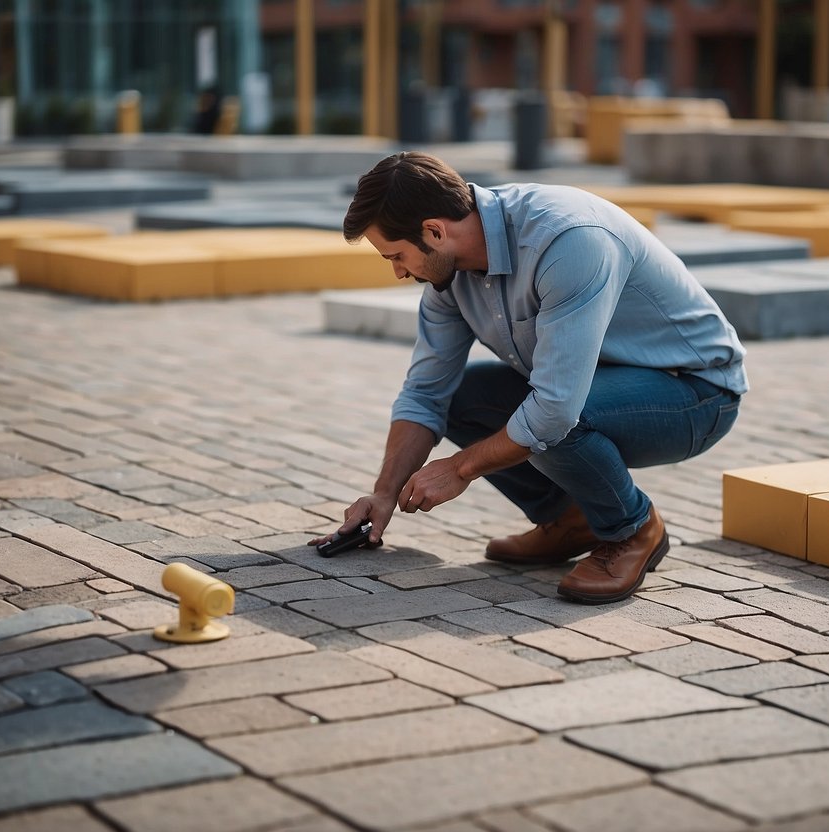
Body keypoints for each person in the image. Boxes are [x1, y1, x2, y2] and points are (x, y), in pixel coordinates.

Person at [312, 152, 747, 604]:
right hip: (596, 383)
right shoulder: (447, 271)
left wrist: (460, 468)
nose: (399, 271)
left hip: (696, 394)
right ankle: (570, 518)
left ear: (435, 231)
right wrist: (383, 494)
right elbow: (426, 392)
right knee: (465, 398)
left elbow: (555, 409)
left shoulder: (569, 240)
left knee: (553, 421)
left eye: (397, 256)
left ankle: (632, 530)